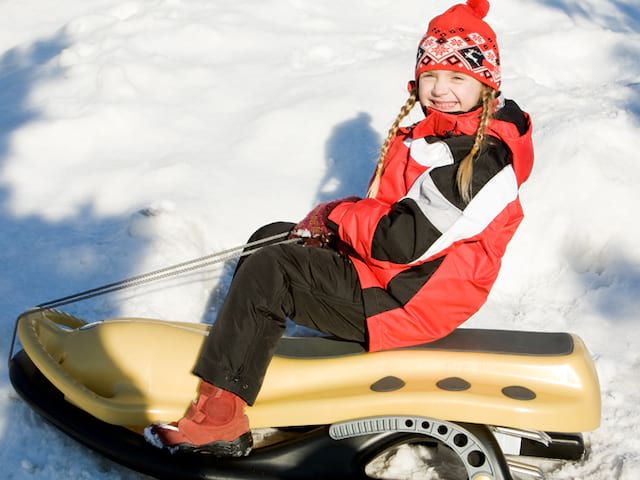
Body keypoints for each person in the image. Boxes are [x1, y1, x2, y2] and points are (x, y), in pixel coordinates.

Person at [144, 0, 534, 457]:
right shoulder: (438, 133)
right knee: (273, 236)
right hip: (398, 278)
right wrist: (335, 219)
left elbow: (400, 240)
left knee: (276, 269)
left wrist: (335, 216)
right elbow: (392, 216)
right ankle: (241, 372)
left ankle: (219, 423)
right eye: (430, 75)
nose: (440, 89)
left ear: (485, 84)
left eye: (457, 78)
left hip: (413, 298)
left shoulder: (482, 160)